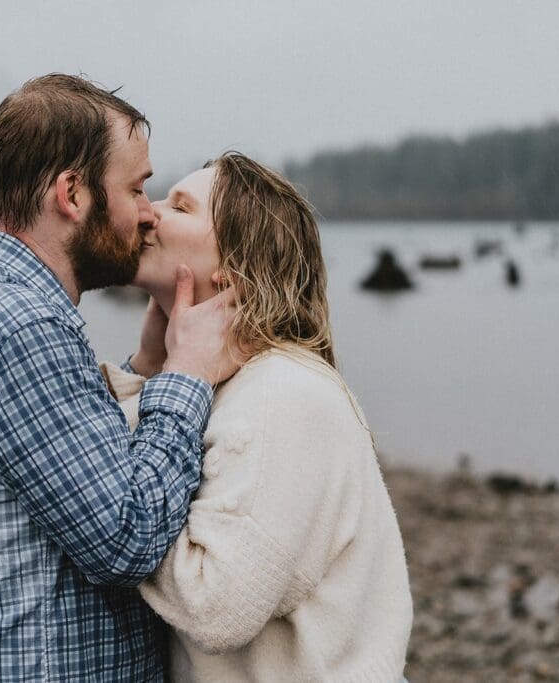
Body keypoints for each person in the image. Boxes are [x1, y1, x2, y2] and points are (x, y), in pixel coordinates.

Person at [0, 74, 243, 681]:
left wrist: (147, 367)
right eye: (136, 189)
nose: (147, 213)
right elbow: (125, 540)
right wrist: (187, 375)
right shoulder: (23, 328)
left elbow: (51, 455)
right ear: (72, 194)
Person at [102, 152, 413, 682]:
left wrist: (115, 524)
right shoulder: (221, 381)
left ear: (235, 266)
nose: (148, 212)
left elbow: (216, 606)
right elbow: (123, 461)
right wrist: (154, 368)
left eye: (180, 206)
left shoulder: (283, 391)